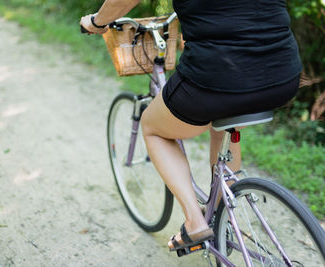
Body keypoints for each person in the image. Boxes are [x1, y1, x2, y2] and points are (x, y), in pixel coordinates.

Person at [80, 0, 301, 251]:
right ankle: (221, 220)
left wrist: (97, 21)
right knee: (224, 123)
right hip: (284, 75)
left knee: (153, 127)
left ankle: (195, 223)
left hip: (217, 80)